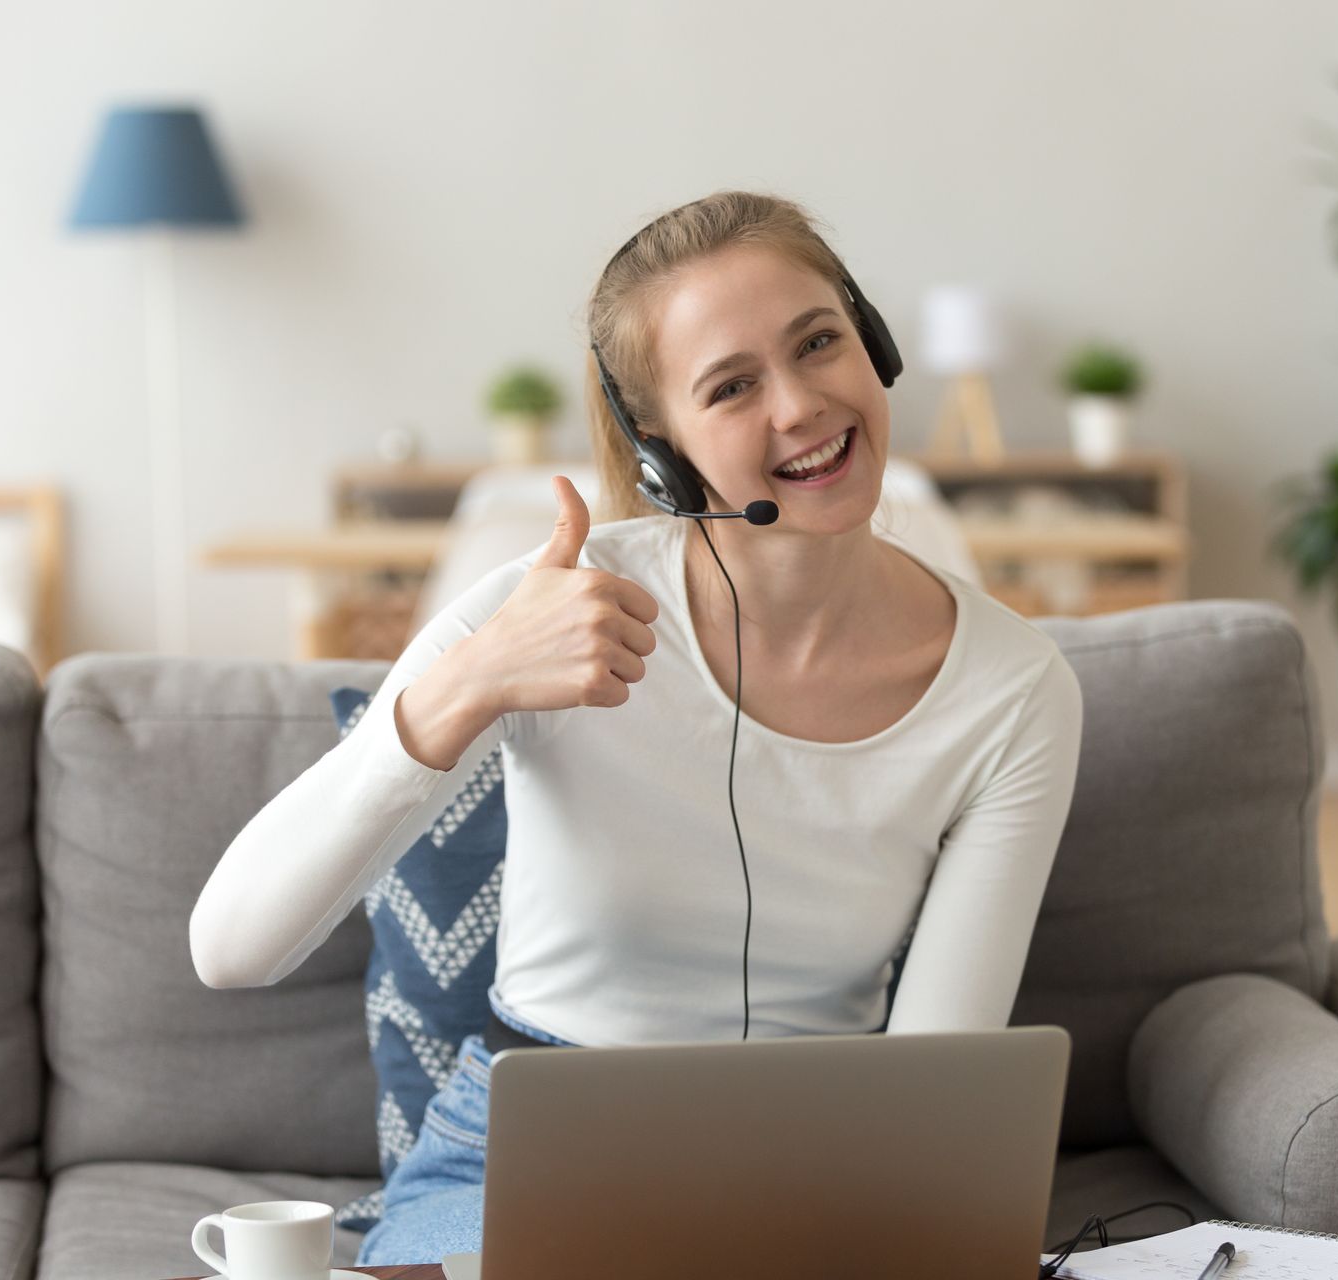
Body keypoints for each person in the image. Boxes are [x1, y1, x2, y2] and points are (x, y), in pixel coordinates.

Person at [188, 189, 1085, 1264]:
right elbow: (229, 946)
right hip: (525, 1145)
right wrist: (468, 681)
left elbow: (941, 1081)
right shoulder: (551, 605)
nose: (800, 406)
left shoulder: (1014, 689)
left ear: (873, 344)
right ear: (660, 442)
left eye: (819, 343)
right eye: (733, 385)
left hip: (827, 1162)